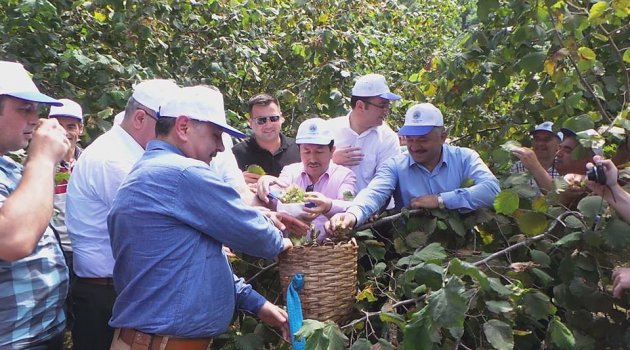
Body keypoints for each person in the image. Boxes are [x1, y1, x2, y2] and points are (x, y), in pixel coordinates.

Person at [107, 86, 292, 349]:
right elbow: (257, 237)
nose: (219, 147)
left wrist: (257, 303)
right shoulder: (183, 173)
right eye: (215, 135)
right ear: (183, 127)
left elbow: (191, 262)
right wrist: (284, 241)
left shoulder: (151, 170)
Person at [65, 79, 181, 350]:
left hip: (119, 290)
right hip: (105, 295)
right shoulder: (113, 160)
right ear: (140, 118)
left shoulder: (131, 154)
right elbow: (158, 224)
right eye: (168, 125)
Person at [327, 103, 500, 230]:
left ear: (443, 137)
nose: (415, 146)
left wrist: (441, 200)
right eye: (410, 139)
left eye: (423, 139)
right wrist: (352, 215)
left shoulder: (465, 158)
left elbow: (492, 190)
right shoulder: (395, 165)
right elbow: (374, 193)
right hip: (410, 251)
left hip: (464, 244)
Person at [0, 61, 70, 348]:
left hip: (36, 333)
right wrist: (42, 158)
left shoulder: (8, 165)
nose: (36, 119)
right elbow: (14, 240)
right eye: (24, 109)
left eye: (36, 109)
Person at [257, 118, 356, 241]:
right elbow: (276, 194)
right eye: (306, 152)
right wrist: (265, 187)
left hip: (330, 251)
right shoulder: (290, 172)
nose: (312, 159)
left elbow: (350, 205)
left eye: (319, 152)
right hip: (292, 252)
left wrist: (328, 205)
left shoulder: (344, 176)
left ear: (332, 151)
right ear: (299, 151)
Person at [327, 73, 401, 192]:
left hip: (372, 209)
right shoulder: (329, 130)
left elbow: (386, 182)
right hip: (327, 207)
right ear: (360, 106)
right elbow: (305, 170)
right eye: (382, 105)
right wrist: (330, 161)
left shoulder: (387, 138)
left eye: (388, 106)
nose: (386, 111)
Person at [232, 93, 300, 189]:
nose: (268, 125)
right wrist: (237, 181)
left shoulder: (299, 149)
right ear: (250, 123)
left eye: (273, 118)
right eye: (261, 120)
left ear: (281, 118)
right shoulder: (236, 153)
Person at [48, 98, 84, 266]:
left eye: (71, 127)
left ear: (81, 129)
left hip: (83, 248)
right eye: (59, 126)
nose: (65, 132)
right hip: (53, 247)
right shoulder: (39, 164)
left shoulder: (89, 161)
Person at [510, 121, 560, 192]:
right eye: (537, 139)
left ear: (558, 145)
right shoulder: (518, 167)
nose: (540, 143)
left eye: (547, 139)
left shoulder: (563, 168)